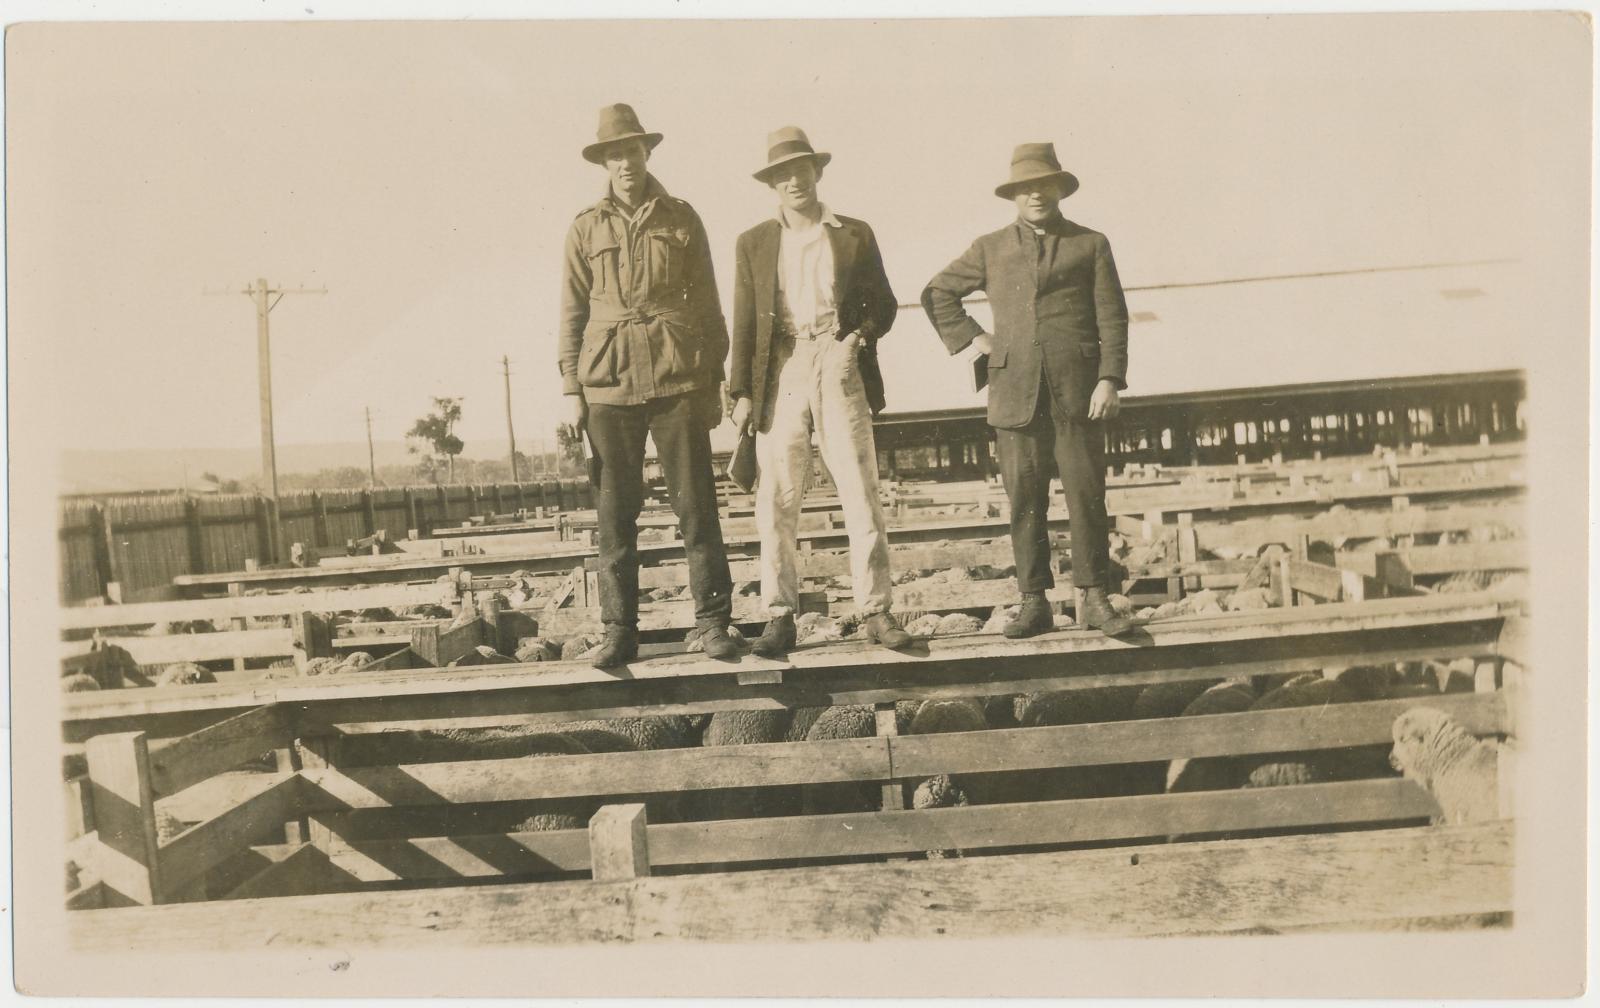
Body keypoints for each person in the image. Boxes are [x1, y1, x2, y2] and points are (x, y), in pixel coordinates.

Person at [921, 142, 1134, 638]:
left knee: (1086, 495)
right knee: (1024, 500)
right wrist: (977, 339)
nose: (1035, 194)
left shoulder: (1091, 244)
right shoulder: (989, 247)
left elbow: (1113, 317)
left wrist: (1109, 378)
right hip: (1014, 394)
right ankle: (1033, 601)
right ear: (1013, 195)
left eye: (1044, 185)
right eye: (1025, 188)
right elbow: (937, 293)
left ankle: (1095, 599)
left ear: (1060, 188)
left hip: (1078, 393)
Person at [558, 103, 738, 667]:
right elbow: (570, 312)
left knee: (697, 509)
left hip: (677, 377)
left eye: (632, 151)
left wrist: (714, 380)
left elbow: (709, 305)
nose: (625, 163)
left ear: (647, 153)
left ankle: (712, 623)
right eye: (614, 155)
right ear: (604, 162)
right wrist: (571, 390)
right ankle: (619, 631)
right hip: (608, 386)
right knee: (615, 514)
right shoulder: (586, 227)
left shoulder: (681, 218)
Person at [728, 127, 912, 656]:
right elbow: (744, 323)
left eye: (802, 169)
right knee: (777, 495)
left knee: (859, 485)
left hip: (838, 356)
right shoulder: (754, 243)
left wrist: (857, 339)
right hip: (781, 366)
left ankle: (875, 610)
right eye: (782, 173)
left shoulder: (854, 233)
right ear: (772, 183)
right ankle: (780, 615)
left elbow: (886, 304)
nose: (794, 180)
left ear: (818, 172)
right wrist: (741, 392)